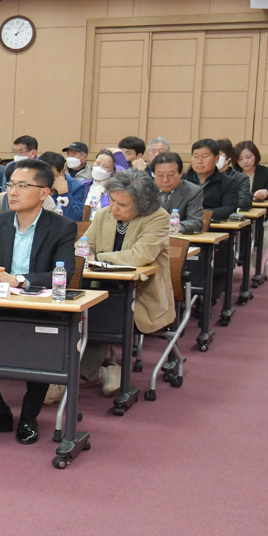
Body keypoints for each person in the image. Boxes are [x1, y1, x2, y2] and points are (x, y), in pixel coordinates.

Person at [0, 158, 80, 445]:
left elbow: (62, 274)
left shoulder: (62, 227)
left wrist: (19, 280)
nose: (12, 192)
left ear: (44, 193)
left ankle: (28, 416)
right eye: (11, 184)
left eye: (23, 186)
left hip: (40, 309)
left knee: (40, 347)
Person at [82, 170, 175, 396]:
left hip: (141, 293)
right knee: (80, 314)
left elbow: (139, 255)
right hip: (99, 288)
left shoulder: (158, 217)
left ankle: (72, 378)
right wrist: (87, 255)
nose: (114, 208)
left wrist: (99, 257)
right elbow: (83, 247)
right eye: (112, 200)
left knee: (105, 316)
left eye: (122, 205)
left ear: (142, 205)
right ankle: (107, 366)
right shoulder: (103, 214)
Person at [184, 139, 250, 214]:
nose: (199, 161)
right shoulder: (183, 181)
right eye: (195, 157)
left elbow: (229, 209)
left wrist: (201, 214)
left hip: (214, 220)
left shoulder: (228, 183)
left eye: (205, 157)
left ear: (216, 159)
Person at [151, 152, 204, 234]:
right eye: (160, 175)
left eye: (170, 175)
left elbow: (196, 222)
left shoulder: (193, 191)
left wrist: (173, 226)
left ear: (181, 173)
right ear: (153, 174)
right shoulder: (145, 190)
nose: (165, 180)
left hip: (177, 237)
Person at [39, 151, 88, 220]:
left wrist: (64, 194)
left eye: (50, 176)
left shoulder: (76, 187)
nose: (45, 180)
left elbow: (74, 218)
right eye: (42, 175)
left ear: (63, 173)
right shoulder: (32, 183)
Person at [83, 149, 118, 213]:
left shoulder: (115, 190)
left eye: (106, 166)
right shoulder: (83, 185)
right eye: (97, 163)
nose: (99, 168)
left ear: (113, 170)